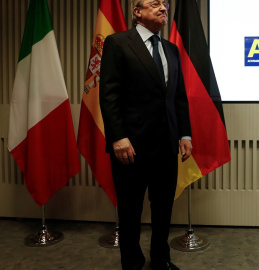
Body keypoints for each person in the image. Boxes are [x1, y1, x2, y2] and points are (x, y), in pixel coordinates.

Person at [99, 1, 192, 269]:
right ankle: (132, 263)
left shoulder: (171, 49)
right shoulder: (117, 43)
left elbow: (179, 97)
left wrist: (185, 134)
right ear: (137, 12)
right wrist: (117, 137)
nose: (163, 8)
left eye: (165, 4)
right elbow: (109, 94)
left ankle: (161, 259)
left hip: (166, 145)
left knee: (163, 210)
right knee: (130, 211)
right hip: (130, 147)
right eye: (155, 4)